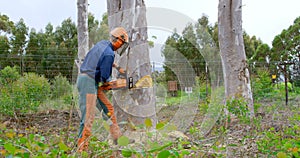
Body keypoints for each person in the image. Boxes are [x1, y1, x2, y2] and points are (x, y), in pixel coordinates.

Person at [76, 27, 128, 152]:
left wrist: (117, 67)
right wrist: (111, 84)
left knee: (108, 109)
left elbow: (101, 60)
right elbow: (104, 77)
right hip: (88, 82)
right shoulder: (109, 53)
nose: (121, 47)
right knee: (88, 117)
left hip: (88, 80)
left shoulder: (102, 44)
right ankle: (81, 150)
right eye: (122, 43)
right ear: (119, 41)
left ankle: (117, 137)